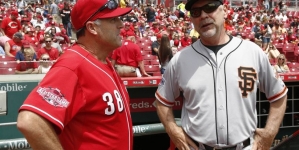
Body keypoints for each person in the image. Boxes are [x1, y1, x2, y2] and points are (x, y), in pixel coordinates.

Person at [155, 0, 287, 150]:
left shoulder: (252, 52)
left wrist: (270, 132)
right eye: (196, 12)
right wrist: (173, 130)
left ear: (224, 11)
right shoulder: (180, 59)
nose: (203, 15)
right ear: (192, 19)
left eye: (209, 8)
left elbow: (279, 95)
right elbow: (162, 102)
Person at [17, 0, 133, 149]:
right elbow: (30, 121)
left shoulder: (102, 61)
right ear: (92, 28)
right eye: (113, 20)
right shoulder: (73, 64)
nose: (121, 25)